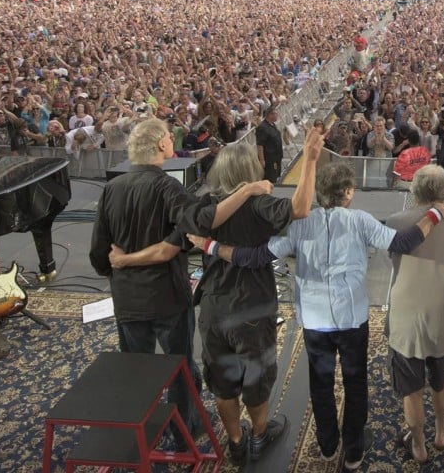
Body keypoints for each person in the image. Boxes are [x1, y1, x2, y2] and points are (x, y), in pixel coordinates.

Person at [193, 160, 444, 470]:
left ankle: (328, 445)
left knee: (321, 384)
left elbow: (255, 257)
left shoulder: (300, 223)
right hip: (351, 321)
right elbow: (404, 241)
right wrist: (436, 213)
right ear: (347, 192)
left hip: (315, 323)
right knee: (355, 383)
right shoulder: (360, 220)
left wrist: (210, 246)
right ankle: (355, 450)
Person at [111, 132, 319, 464]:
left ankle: (235, 444)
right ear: (251, 169)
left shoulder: (204, 208)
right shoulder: (259, 204)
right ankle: (260, 436)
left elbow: (167, 249)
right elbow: (301, 207)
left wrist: (123, 260)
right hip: (251, 306)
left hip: (212, 307)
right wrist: (309, 159)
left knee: (223, 381)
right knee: (256, 377)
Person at [89, 118, 268, 438]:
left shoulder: (111, 189)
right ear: (161, 145)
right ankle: (186, 432)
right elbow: (198, 225)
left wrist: (121, 267)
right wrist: (248, 191)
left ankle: (140, 435)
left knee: (137, 370)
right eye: (170, 138)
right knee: (179, 371)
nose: (174, 141)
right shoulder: (167, 186)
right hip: (166, 298)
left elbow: (99, 254)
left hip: (127, 299)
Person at [385, 165, 444, 463]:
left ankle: (418, 445)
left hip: (407, 314)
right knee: (441, 379)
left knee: (411, 389)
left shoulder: (395, 222)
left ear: (415, 190)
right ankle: (441, 430)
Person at [256, 105, 284, 183]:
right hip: (269, 159)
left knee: (275, 178)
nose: (277, 115)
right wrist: (262, 160)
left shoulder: (272, 125)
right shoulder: (262, 127)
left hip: (276, 157)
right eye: (275, 114)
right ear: (270, 115)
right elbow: (260, 145)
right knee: (270, 179)